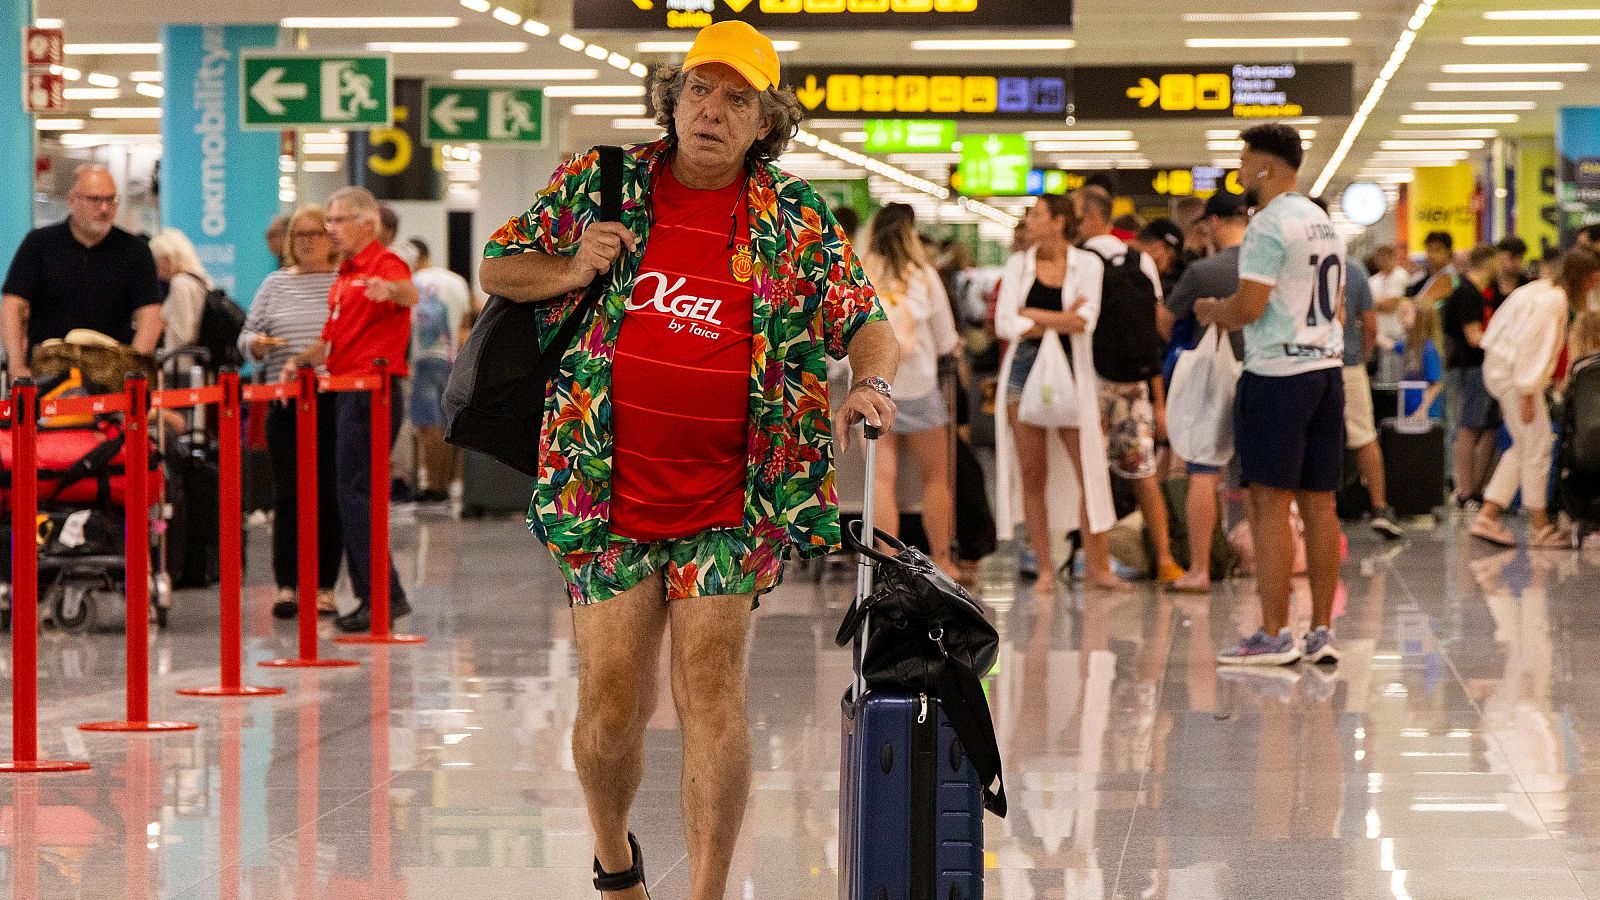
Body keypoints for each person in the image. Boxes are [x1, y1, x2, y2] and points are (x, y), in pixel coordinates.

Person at [476, 21, 897, 900]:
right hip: (601, 489)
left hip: (735, 496)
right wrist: (566, 266)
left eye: (736, 97)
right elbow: (497, 265)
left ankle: (706, 891)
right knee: (613, 703)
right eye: (699, 89)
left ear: (765, 121)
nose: (712, 109)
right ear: (672, 100)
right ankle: (615, 858)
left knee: (711, 689)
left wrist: (871, 382)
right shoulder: (602, 182)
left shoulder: (793, 215)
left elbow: (865, 316)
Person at [1196, 123, 1346, 668]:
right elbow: (1338, 307)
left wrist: (1214, 310)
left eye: (1244, 160)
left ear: (1267, 165)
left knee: (1269, 506)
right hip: (1325, 372)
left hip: (1277, 375)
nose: (1239, 172)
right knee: (1320, 504)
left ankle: (1273, 632)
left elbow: (1250, 307)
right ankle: (1322, 630)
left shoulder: (1266, 225)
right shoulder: (1321, 221)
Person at [280, 186, 416, 634]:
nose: (330, 229)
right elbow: (333, 341)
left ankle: (379, 598)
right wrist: (300, 359)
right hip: (347, 393)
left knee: (356, 496)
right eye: (330, 221)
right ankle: (381, 595)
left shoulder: (383, 263)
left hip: (371, 394)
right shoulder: (344, 275)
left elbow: (408, 293)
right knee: (351, 496)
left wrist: (389, 290)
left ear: (367, 223)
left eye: (338, 221)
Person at [993, 195, 1117, 593]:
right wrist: (1060, 319)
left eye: (1036, 214)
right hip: (1023, 374)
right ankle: (1044, 567)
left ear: (1059, 221)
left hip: (1074, 376)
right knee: (1033, 473)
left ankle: (1098, 566)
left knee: (1089, 471)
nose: (1028, 220)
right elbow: (1004, 324)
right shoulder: (1018, 265)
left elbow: (1087, 322)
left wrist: (1034, 316)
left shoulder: (1088, 264)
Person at [1075, 186, 1185, 584]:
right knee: (1144, 475)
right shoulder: (1141, 261)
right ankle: (1167, 559)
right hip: (1134, 386)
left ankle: (1095, 563)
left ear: (1090, 218)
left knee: (1091, 475)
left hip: (1090, 384)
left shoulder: (1078, 260)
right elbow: (1153, 332)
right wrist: (1158, 400)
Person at [239, 205, 345, 618]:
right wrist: (256, 346)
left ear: (330, 238)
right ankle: (286, 584)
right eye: (298, 235)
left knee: (329, 493)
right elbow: (245, 336)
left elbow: (346, 339)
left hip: (332, 399)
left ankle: (324, 587)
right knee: (288, 492)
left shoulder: (342, 282)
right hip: (284, 401)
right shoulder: (274, 283)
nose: (306, 243)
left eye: (314, 234)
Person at [1471, 247, 1600, 548]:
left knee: (1525, 445)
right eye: (1593, 278)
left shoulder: (1543, 290)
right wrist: (1529, 391)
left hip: (1505, 371)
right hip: (1516, 378)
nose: (1595, 285)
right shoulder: (1553, 301)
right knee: (1538, 443)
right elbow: (1532, 345)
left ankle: (1489, 514)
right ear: (1582, 277)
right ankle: (1539, 524)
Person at [862, 204, 961, 579]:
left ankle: (885, 563)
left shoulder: (862, 271)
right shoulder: (924, 276)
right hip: (920, 387)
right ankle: (942, 558)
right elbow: (946, 339)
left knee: (881, 480)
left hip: (875, 388)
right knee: (935, 477)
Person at [1163, 192, 1249, 593]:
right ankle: (1266, 566)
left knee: (1203, 468)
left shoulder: (1202, 271)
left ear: (1212, 223)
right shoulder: (1268, 264)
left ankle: (1199, 569)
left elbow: (1165, 319)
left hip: (1212, 378)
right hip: (1260, 371)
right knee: (1259, 479)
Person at [2, 164, 162, 374]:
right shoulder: (39, 244)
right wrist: (16, 365)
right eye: (95, 200)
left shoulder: (135, 251)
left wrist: (131, 371)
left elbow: (150, 316)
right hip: (48, 372)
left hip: (110, 375)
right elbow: (13, 306)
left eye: (110, 200)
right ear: (72, 200)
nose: (104, 208)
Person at [1320, 200, 1402, 539]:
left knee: (1312, 438)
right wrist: (1364, 356)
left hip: (1302, 365)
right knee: (1364, 435)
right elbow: (1369, 324)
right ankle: (1379, 508)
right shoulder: (1351, 268)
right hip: (1348, 364)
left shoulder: (1291, 263)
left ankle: (1313, 512)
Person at [402, 238, 471, 504]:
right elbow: (468, 321)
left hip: (425, 358)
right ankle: (449, 482)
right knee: (448, 423)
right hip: (453, 359)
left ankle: (434, 485)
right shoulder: (456, 281)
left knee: (428, 425)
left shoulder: (414, 282)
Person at [1440, 244, 1502, 507]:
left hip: (1479, 368)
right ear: (1488, 262)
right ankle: (1465, 490)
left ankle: (1475, 488)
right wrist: (1504, 341)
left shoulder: (1477, 293)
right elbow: (1474, 338)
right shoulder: (1467, 293)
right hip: (1469, 369)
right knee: (1468, 427)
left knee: (1486, 428)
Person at [148, 228, 214, 352]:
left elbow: (182, 333)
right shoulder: (199, 278)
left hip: (181, 363)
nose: (156, 267)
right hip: (196, 362)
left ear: (168, 258)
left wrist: (162, 325)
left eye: (158, 260)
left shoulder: (180, 283)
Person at [1397, 301, 1444, 424]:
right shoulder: (1412, 346)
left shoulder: (1429, 349)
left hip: (1426, 415)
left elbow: (1436, 384)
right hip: (1410, 410)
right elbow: (1391, 345)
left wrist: (1421, 410)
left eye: (1408, 313)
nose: (1402, 316)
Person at [1492, 236, 1531, 310]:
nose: (1517, 263)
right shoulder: (1490, 283)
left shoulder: (1526, 284)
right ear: (1499, 255)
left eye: (1520, 258)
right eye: (1512, 257)